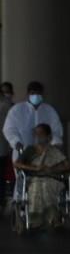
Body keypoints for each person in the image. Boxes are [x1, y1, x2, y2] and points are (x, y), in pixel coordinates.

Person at [17, 123, 69, 228]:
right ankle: (35, 219)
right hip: (34, 179)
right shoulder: (30, 149)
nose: (38, 136)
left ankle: (53, 217)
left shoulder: (54, 150)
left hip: (52, 178)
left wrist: (52, 169)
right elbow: (17, 164)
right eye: (36, 134)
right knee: (36, 186)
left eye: (41, 134)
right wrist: (35, 168)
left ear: (49, 137)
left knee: (46, 185)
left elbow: (68, 166)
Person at [3, 81, 63, 160]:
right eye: (33, 93)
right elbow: (9, 130)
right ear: (27, 94)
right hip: (22, 154)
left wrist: (55, 143)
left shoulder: (49, 111)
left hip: (45, 155)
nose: (36, 96)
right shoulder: (17, 110)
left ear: (43, 94)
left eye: (38, 93)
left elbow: (56, 130)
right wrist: (16, 143)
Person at [0, 82, 13, 212]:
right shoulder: (6, 105)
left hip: (3, 147)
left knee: (1, 176)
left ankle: (1, 201)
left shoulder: (5, 105)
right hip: (3, 147)